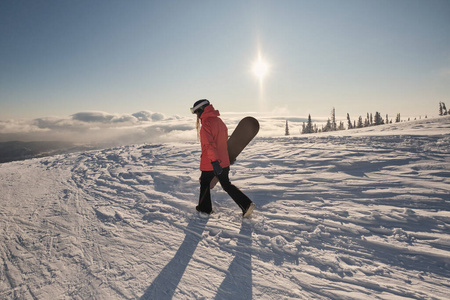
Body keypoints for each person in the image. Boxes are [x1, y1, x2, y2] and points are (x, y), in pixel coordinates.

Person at [191, 99, 255, 217]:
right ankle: (246, 204)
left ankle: (205, 209)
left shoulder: (206, 125)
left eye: (196, 112)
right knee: (226, 185)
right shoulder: (219, 121)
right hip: (224, 161)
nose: (196, 116)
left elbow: (209, 146)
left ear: (201, 110)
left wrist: (214, 162)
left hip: (211, 162)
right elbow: (223, 142)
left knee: (205, 183)